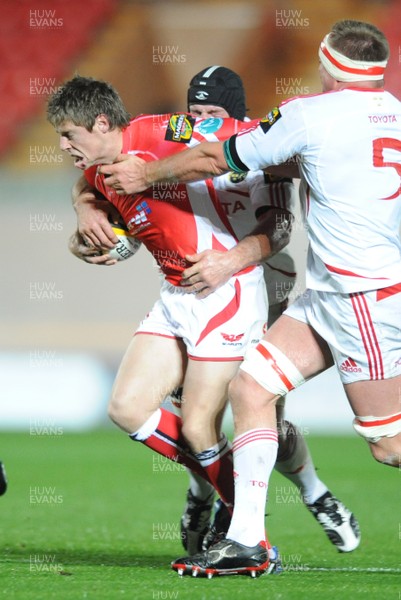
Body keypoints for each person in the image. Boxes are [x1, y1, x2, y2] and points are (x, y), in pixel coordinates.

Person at [97, 20, 401, 578]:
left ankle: (263, 508)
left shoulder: (309, 115)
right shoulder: (395, 111)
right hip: (333, 291)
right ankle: (246, 541)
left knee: (388, 445)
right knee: (252, 388)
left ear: (328, 63)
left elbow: (219, 160)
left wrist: (147, 175)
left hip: (361, 294)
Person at [47, 75, 289, 573]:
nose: (63, 145)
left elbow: (228, 143)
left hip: (223, 285)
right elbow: (87, 193)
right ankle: (236, 506)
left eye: (70, 135)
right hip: (177, 294)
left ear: (101, 123)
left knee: (200, 426)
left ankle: (252, 539)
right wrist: (82, 217)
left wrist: (155, 173)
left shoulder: (162, 130)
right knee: (127, 408)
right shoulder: (96, 171)